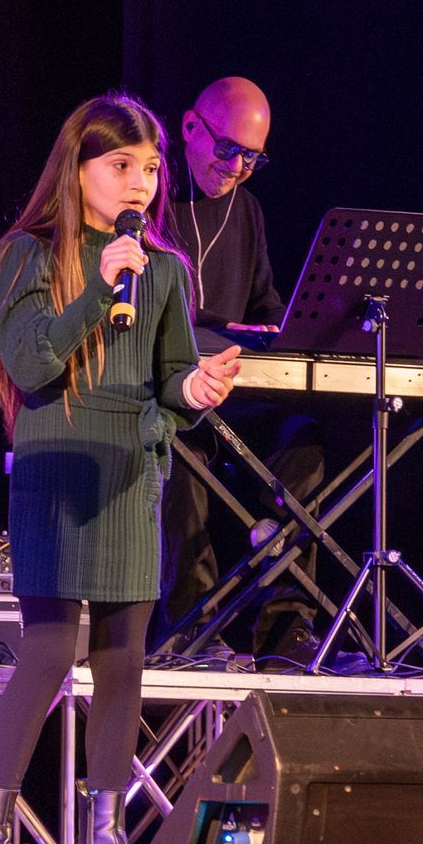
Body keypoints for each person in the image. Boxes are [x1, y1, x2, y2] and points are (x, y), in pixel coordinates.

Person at [0, 93, 240, 844]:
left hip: (129, 468)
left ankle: (105, 841)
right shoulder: (25, 256)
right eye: (121, 166)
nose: (140, 182)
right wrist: (96, 286)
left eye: (150, 168)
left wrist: (197, 385)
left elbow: (171, 374)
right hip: (56, 466)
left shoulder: (168, 271)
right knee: (48, 651)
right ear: (77, 171)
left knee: (122, 659)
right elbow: (35, 364)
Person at [159, 72, 321, 643]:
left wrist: (286, 325)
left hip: (239, 389)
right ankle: (191, 632)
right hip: (175, 392)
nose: (236, 168)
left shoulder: (247, 209)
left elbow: (264, 303)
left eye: (252, 158)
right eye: (227, 149)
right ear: (189, 128)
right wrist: (224, 327)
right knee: (178, 451)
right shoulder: (151, 199)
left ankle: (288, 628)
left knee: (304, 443)